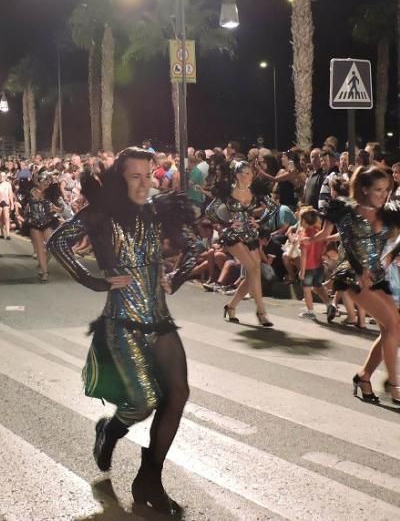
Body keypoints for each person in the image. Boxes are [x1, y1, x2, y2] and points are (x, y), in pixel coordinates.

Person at [47, 147, 198, 516]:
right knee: (144, 401)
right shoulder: (100, 215)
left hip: (159, 322)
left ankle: (150, 480)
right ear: (120, 179)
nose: (145, 183)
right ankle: (109, 432)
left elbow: (194, 247)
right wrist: (94, 280)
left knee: (178, 393)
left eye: (150, 175)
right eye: (136, 176)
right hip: (122, 324)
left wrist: (175, 277)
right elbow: (58, 242)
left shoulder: (157, 211)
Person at [314, 167, 400, 406]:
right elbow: (347, 245)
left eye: (386, 189)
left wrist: (391, 256)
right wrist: (360, 270)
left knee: (393, 328)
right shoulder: (348, 212)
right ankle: (393, 382)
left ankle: (364, 376)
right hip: (353, 275)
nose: (383, 194)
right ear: (365, 188)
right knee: (393, 325)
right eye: (378, 189)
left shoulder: (389, 213)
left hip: (377, 274)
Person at [206, 161, 276, 327]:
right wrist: (227, 223)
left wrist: (259, 221)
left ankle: (231, 306)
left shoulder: (255, 190)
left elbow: (273, 207)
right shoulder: (228, 191)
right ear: (236, 174)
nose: (248, 176)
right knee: (252, 268)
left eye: (250, 173)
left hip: (250, 234)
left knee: (254, 271)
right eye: (244, 173)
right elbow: (209, 211)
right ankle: (261, 311)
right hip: (233, 236)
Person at [23, 170, 63, 282]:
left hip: (47, 222)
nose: (47, 183)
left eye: (48, 181)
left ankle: (43, 262)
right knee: (40, 248)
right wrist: (25, 211)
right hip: (33, 223)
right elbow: (24, 205)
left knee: (52, 246)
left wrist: (56, 209)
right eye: (45, 180)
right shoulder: (30, 192)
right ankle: (45, 272)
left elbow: (61, 208)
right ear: (38, 181)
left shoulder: (51, 193)